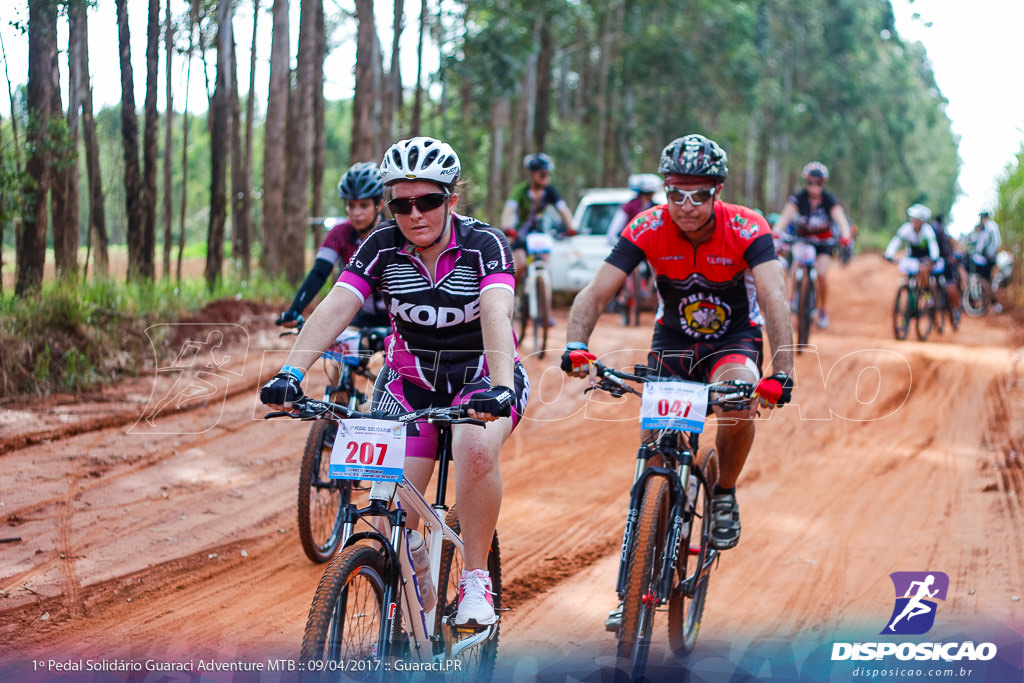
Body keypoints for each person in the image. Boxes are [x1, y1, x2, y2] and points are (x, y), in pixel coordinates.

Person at [261, 136, 529, 628]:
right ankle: (406, 572)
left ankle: (474, 579)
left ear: (451, 199)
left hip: (481, 377)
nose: (414, 214)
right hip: (408, 380)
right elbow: (338, 304)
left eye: (427, 201)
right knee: (387, 505)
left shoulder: (483, 244)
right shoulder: (381, 245)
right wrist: (291, 372)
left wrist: (501, 384)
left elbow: (495, 310)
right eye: (400, 203)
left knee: (473, 447)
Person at [560, 133, 795, 554]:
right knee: (654, 451)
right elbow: (596, 293)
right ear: (665, 190)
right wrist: (577, 344)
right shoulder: (647, 226)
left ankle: (723, 493)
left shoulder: (746, 227)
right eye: (676, 194)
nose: (686, 206)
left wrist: (782, 372)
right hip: (673, 341)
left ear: (717, 192)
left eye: (698, 196)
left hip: (733, 339)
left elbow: (775, 298)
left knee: (740, 400)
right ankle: (639, 573)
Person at [277, 161, 390, 331]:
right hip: (360, 316)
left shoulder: (392, 234)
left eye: (364, 205)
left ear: (379, 205)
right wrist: (295, 310)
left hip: (395, 318)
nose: (356, 212)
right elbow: (319, 272)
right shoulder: (340, 234)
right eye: (351, 206)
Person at [771, 162, 853, 329]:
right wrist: (776, 232)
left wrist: (845, 235)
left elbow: (841, 219)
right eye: (810, 182)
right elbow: (784, 217)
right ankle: (790, 303)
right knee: (795, 266)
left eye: (818, 183)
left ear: (823, 184)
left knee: (822, 274)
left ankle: (822, 309)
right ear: (806, 182)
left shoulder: (829, 200)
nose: (814, 187)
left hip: (824, 243)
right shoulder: (798, 198)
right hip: (803, 240)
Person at [500, 153, 577, 305]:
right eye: (542, 174)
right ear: (532, 174)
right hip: (520, 235)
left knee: (546, 263)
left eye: (548, 174)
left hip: (540, 235)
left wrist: (572, 227)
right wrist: (507, 227)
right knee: (520, 264)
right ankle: (511, 298)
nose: (546, 177)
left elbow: (563, 210)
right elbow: (508, 211)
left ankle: (545, 307)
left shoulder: (550, 192)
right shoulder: (520, 191)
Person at [884, 204, 940, 293]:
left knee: (924, 272)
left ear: (923, 221)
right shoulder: (906, 228)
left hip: (925, 257)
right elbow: (896, 241)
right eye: (913, 219)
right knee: (907, 272)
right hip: (912, 257)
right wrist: (888, 254)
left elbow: (933, 245)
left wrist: (934, 258)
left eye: (917, 220)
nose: (914, 222)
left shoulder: (927, 230)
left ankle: (927, 293)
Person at [964, 210, 1002, 282]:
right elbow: (974, 241)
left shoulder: (991, 226)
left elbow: (996, 242)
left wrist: (989, 254)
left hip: (989, 258)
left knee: (986, 277)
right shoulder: (981, 229)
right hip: (981, 257)